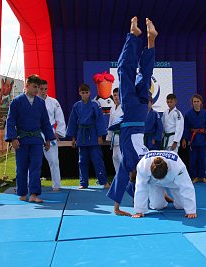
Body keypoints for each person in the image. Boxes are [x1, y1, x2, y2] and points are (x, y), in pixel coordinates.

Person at [106, 17, 157, 216]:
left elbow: (125, 176)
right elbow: (123, 176)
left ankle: (150, 41)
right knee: (124, 70)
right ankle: (134, 36)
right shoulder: (134, 160)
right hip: (132, 116)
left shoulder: (144, 158)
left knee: (145, 74)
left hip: (141, 113)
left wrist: (119, 205)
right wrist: (117, 207)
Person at [5, 74, 55, 203]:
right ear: (26, 86)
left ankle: (33, 194)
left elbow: (45, 122)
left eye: (38, 87)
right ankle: (22, 193)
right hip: (21, 139)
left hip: (36, 140)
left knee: (36, 167)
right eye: (34, 87)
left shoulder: (40, 102)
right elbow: (10, 121)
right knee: (21, 167)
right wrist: (13, 138)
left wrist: (48, 139)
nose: (37, 90)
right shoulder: (17, 101)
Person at [66, 83, 110, 189]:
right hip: (81, 135)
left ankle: (104, 181)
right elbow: (72, 122)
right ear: (79, 93)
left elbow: (99, 120)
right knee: (82, 161)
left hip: (93, 134)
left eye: (86, 92)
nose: (85, 94)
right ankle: (83, 182)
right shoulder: (76, 106)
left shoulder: (95, 104)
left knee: (97, 160)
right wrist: (73, 138)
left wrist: (100, 136)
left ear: (90, 93)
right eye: (83, 92)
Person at [132, 150, 197, 219]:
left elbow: (187, 187)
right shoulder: (143, 165)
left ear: (168, 169)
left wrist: (191, 211)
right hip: (154, 183)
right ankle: (164, 195)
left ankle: (166, 194)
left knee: (181, 206)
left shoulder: (177, 166)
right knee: (157, 206)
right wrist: (139, 210)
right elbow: (141, 187)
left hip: (173, 183)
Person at [38, 79, 66, 191]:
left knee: (54, 161)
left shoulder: (54, 102)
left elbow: (60, 118)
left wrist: (59, 132)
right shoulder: (32, 101)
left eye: (45, 89)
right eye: (41, 89)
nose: (44, 91)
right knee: (34, 161)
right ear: (37, 88)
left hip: (49, 133)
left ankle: (56, 185)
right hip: (36, 133)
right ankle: (29, 184)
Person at [182, 94, 206, 183]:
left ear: (201, 103)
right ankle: (195, 176)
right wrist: (184, 139)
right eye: (194, 102)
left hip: (203, 138)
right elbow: (186, 127)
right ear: (192, 103)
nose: (196, 103)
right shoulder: (188, 114)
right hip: (193, 139)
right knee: (193, 159)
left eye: (198, 101)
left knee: (203, 158)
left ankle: (202, 176)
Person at [106, 87, 123, 174]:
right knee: (115, 158)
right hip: (114, 137)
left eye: (118, 95)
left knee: (121, 158)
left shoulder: (124, 107)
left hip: (122, 136)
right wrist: (109, 137)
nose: (116, 97)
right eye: (115, 95)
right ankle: (118, 178)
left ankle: (126, 180)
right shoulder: (112, 108)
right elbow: (110, 123)